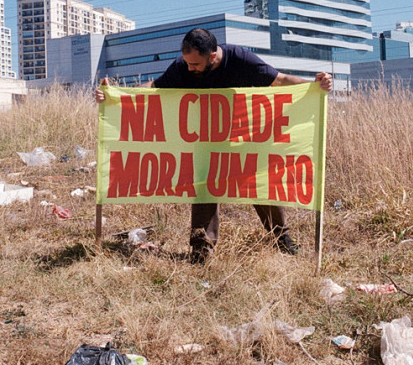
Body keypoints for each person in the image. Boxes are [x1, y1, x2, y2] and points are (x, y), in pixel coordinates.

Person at [95, 27, 333, 263]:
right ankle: (201, 251)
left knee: (260, 186)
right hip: (206, 142)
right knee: (204, 190)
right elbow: (153, 89)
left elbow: (279, 80)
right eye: (187, 63)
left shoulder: (240, 58)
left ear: (212, 56)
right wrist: (116, 95)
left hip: (244, 138)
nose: (190, 68)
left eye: (196, 64)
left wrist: (313, 86)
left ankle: (282, 240)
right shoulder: (182, 66)